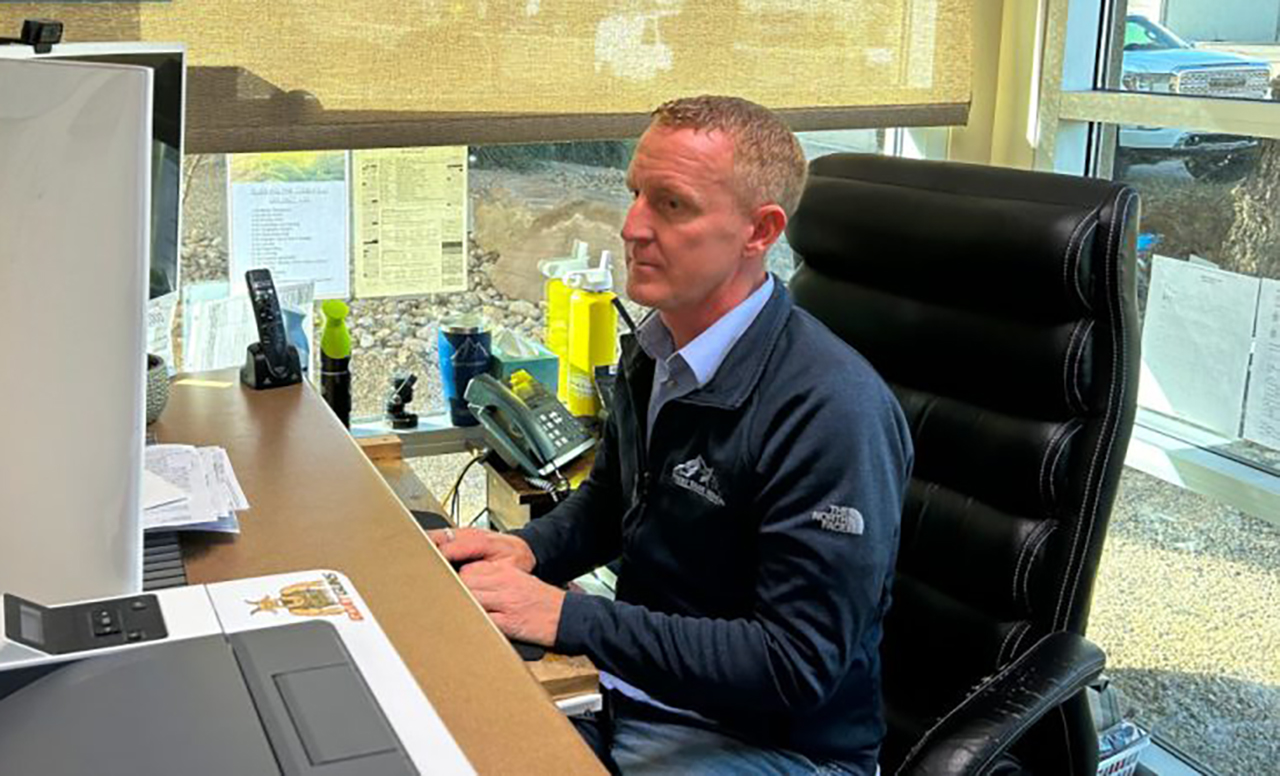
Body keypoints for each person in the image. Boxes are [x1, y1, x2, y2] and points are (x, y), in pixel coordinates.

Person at [431, 95, 913, 775]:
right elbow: (611, 505)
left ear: (759, 232)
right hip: (643, 692)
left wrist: (572, 620)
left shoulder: (833, 411)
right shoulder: (658, 348)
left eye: (671, 205)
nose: (631, 227)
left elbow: (794, 665)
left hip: (771, 747)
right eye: (634, 195)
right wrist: (522, 552)